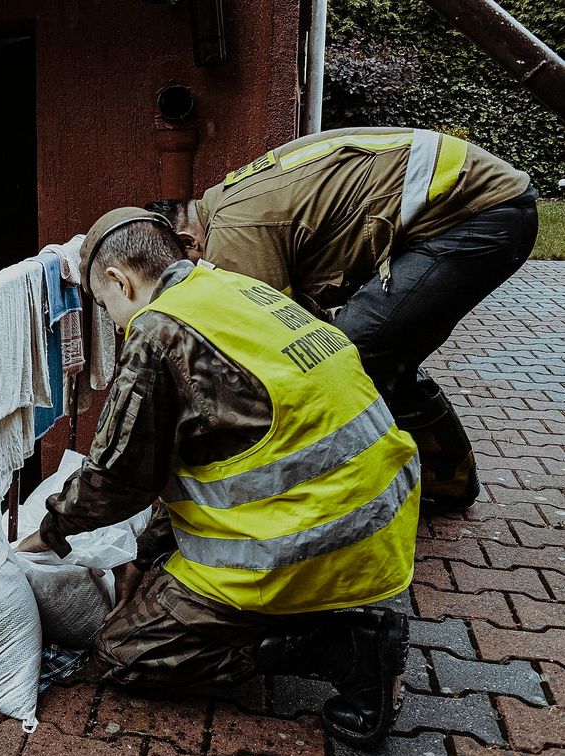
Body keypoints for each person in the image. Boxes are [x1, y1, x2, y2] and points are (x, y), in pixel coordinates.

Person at [17, 207, 421, 748]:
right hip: (380, 509)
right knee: (162, 578)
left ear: (119, 280)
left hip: (315, 536)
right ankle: (307, 622)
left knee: (125, 652)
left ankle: (341, 648)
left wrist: (48, 532)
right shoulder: (229, 289)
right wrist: (144, 554)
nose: (112, 322)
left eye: (104, 303)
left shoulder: (158, 333)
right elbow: (201, 458)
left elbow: (118, 477)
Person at [145, 127, 539, 513]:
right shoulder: (227, 204)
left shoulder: (233, 236)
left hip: (479, 211)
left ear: (186, 241)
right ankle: (447, 475)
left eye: (178, 277)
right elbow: (296, 317)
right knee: (377, 350)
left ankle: (432, 478)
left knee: (350, 353)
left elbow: (272, 345)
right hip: (471, 202)